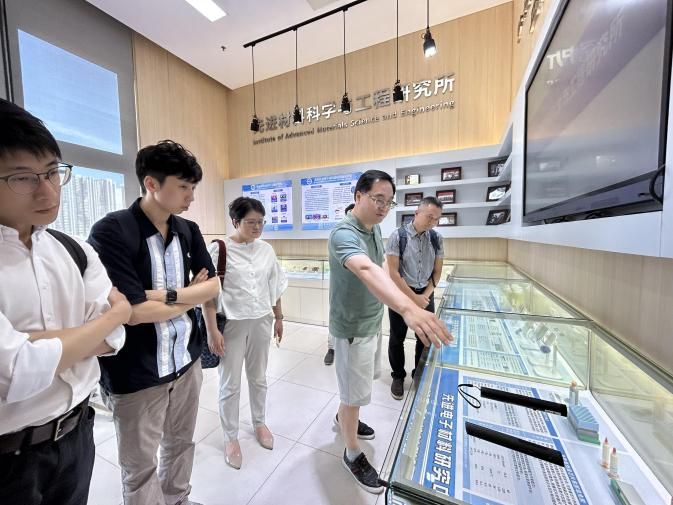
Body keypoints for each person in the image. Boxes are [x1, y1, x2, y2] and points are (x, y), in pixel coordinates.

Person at [0, 98, 129, 505]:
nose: (48, 190)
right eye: (23, 177)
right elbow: (15, 372)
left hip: (77, 434)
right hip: (7, 461)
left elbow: (116, 339)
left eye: (53, 171)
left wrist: (38, 344)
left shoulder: (74, 251)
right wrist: (115, 314)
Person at [88, 140, 220, 505]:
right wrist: (188, 295)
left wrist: (163, 296)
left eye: (193, 187)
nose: (191, 196)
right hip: (137, 374)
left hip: (186, 362)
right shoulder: (112, 231)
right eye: (184, 187)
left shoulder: (188, 230)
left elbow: (213, 286)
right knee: (140, 466)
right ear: (151, 183)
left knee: (181, 444)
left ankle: (177, 498)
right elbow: (132, 313)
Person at [328, 170, 453, 494]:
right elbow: (366, 268)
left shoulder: (373, 229)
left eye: (388, 202)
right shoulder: (343, 233)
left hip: (371, 321)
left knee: (358, 387)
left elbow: (382, 267)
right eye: (377, 199)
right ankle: (352, 453)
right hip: (352, 327)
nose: (383, 207)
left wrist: (408, 301)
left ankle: (344, 419)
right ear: (358, 196)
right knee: (353, 394)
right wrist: (408, 308)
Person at [203, 196, 287, 470]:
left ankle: (259, 423)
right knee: (230, 383)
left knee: (259, 377)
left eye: (261, 222)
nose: (257, 227)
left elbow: (275, 285)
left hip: (261, 320)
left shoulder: (266, 250)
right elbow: (208, 294)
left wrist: (278, 317)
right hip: (232, 324)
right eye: (251, 222)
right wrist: (212, 331)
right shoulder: (219, 249)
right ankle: (230, 437)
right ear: (235, 221)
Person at [386, 196, 444, 400]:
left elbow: (437, 272)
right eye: (429, 217)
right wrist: (413, 298)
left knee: (425, 337)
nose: (432, 222)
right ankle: (398, 376)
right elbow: (393, 273)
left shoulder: (436, 238)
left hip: (426, 293)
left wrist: (424, 296)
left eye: (436, 219)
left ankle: (418, 374)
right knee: (397, 337)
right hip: (401, 293)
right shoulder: (398, 236)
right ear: (417, 213)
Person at [323, 202, 356, 366]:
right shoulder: (340, 234)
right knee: (335, 317)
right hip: (340, 287)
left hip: (357, 288)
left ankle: (350, 348)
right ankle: (331, 348)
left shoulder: (365, 234)